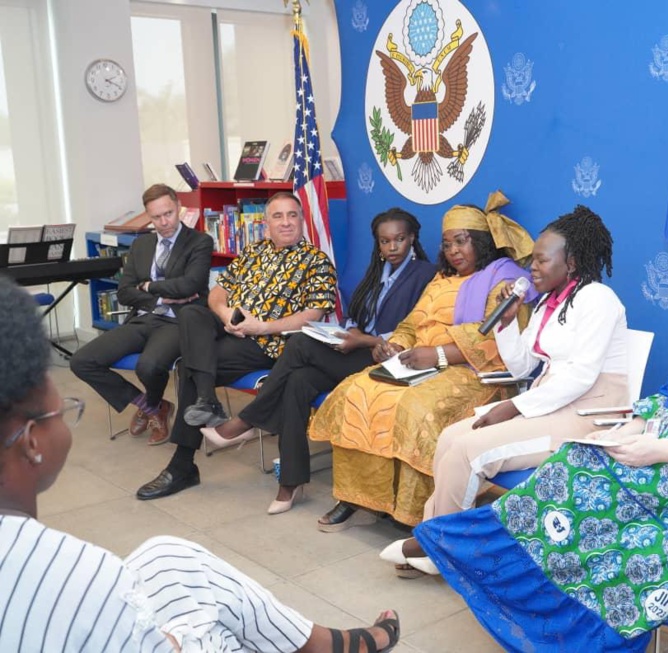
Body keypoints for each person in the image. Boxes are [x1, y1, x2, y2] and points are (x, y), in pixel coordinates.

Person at [408, 239, 668, 652]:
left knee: (604, 504)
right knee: (577, 460)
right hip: (663, 446)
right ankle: (524, 585)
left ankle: (588, 626)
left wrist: (656, 449)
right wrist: (632, 429)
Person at [0, 278, 400, 653]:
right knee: (211, 607)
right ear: (31, 440)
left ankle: (209, 435)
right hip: (247, 340)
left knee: (168, 556)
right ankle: (331, 643)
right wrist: (184, 633)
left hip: (275, 343)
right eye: (67, 409)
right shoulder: (80, 576)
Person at [382, 205, 630, 577]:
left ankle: (442, 548)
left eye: (543, 261)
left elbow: (580, 376)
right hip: (549, 403)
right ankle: (435, 537)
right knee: (451, 437)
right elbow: (521, 367)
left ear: (572, 263)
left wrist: (514, 406)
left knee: (468, 451)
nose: (532, 268)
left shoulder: (598, 300)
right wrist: (506, 324)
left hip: (587, 416)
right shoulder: (549, 302)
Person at [309, 190, 538, 530]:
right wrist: (396, 345)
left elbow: (498, 340)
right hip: (416, 363)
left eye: (462, 242)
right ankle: (356, 496)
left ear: (481, 241)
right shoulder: (440, 279)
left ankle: (416, 512)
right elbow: (412, 323)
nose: (453, 251)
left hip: (470, 373)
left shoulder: (502, 281)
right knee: (358, 392)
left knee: (414, 409)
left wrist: (439, 354)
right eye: (447, 244)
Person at [199, 208, 436, 515]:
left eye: (400, 240)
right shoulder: (377, 271)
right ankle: (291, 483)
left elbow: (414, 329)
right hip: (358, 349)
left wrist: (362, 340)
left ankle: (246, 421)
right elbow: (359, 315)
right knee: (298, 381)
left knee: (299, 342)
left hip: (387, 358)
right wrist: (347, 332)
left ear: (412, 239)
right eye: (385, 241)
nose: (392, 247)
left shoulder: (425, 274)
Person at [136, 192, 337, 501]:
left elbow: (314, 315)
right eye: (278, 216)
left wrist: (262, 326)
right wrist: (225, 313)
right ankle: (206, 401)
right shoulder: (253, 250)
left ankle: (182, 464)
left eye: (292, 215)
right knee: (192, 312)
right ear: (266, 223)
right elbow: (218, 293)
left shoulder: (316, 261)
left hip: (270, 342)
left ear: (301, 219)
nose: (285, 222)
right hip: (232, 327)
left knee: (190, 366)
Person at [70, 184, 212, 445]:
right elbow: (124, 292)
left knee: (147, 366)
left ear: (178, 206)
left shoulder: (200, 241)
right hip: (144, 317)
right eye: (156, 217)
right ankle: (153, 407)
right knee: (81, 361)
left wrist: (147, 286)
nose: (164, 222)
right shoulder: (141, 245)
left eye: (168, 213)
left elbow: (190, 285)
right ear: (149, 216)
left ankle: (151, 404)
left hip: (179, 320)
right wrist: (160, 296)